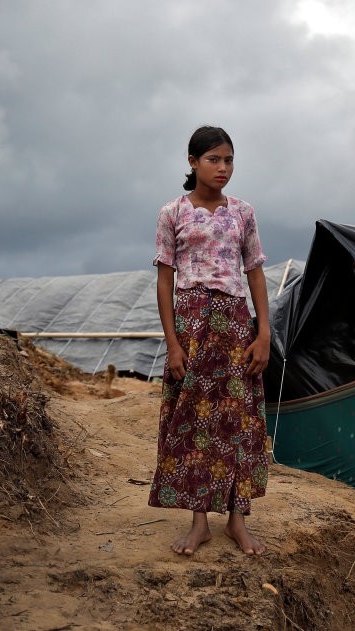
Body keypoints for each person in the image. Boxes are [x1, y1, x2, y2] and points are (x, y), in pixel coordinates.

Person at [148, 125, 270, 557]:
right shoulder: (172, 213)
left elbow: (254, 270)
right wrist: (173, 342)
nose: (223, 168)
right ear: (193, 162)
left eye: (229, 160)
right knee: (194, 419)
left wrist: (264, 334)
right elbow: (165, 280)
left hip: (236, 324)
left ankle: (237, 520)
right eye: (214, 159)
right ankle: (199, 522)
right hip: (192, 323)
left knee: (237, 417)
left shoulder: (243, 212)